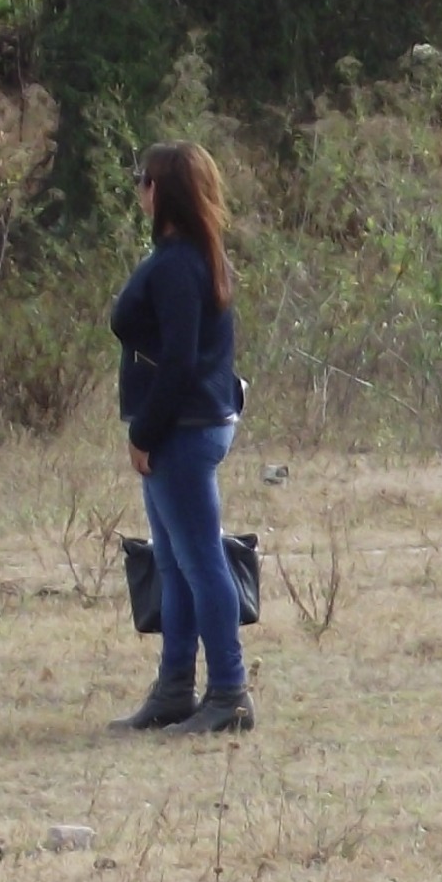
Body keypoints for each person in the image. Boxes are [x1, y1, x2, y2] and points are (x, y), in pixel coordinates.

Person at [108, 142, 254, 735]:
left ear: (161, 192)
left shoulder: (175, 266)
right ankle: (173, 689)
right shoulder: (193, 255)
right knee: (173, 562)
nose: (138, 191)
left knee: (200, 562)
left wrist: (145, 431)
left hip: (182, 430)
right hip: (193, 424)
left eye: (142, 180)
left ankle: (229, 692)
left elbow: (177, 362)